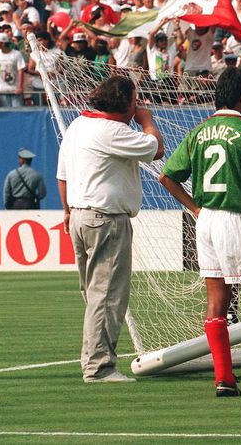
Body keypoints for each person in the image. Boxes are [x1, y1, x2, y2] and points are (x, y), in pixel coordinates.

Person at [158, 67, 241, 398]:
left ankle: (224, 378)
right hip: (238, 219)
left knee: (217, 300)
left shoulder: (199, 131)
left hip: (208, 221)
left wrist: (195, 208)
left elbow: (167, 177)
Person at [56, 75, 164, 383]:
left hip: (78, 215)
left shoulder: (78, 126)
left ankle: (94, 358)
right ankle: (99, 367)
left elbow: (62, 175)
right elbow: (156, 149)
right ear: (125, 102)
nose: (138, 105)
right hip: (106, 219)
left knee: (93, 294)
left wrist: (66, 210)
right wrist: (146, 120)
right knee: (107, 295)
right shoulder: (112, 131)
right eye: (135, 100)